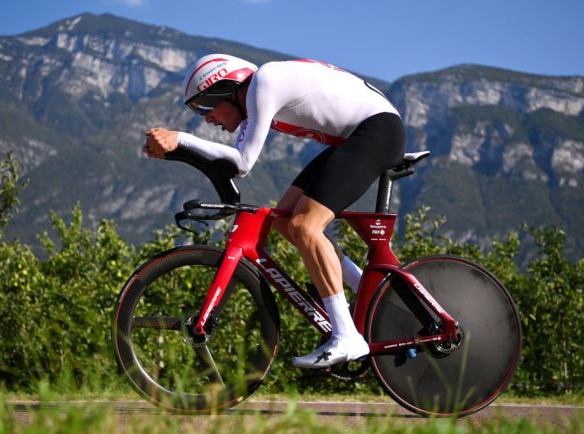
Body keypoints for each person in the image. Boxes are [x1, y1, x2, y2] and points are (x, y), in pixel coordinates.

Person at [144, 53, 405, 368]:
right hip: (359, 136)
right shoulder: (257, 94)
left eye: (204, 106)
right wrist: (178, 151)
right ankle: (367, 292)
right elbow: (230, 163)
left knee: (305, 226)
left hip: (376, 131)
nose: (206, 118)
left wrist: (180, 139)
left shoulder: (262, 83)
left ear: (224, 90)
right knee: (285, 222)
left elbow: (242, 164)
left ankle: (346, 335)